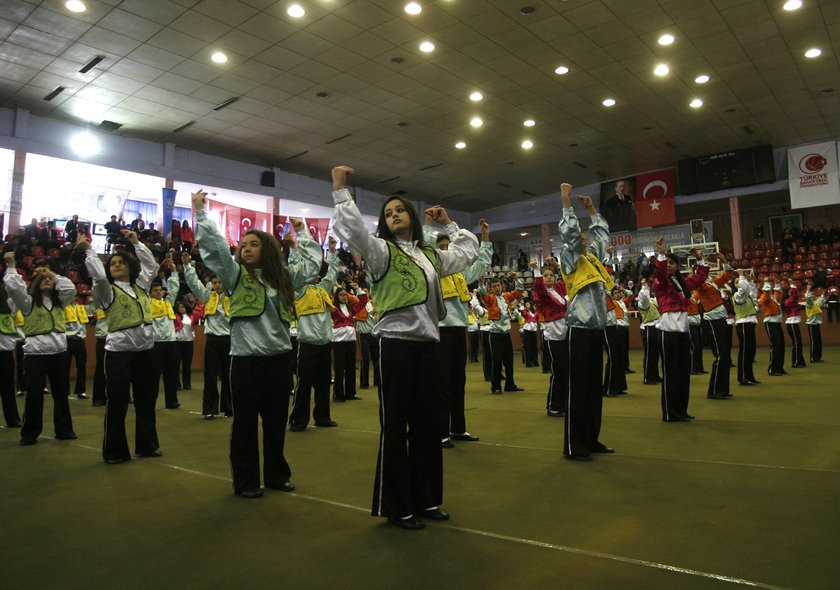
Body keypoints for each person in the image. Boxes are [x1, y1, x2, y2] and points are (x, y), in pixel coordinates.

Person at [330, 165, 478, 530]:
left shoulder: (430, 255)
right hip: (395, 345)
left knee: (428, 425)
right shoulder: (380, 251)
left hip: (429, 346)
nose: (394, 215)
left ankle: (426, 498)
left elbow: (467, 252)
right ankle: (397, 505)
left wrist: (449, 223)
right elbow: (351, 229)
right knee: (396, 426)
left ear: (411, 215)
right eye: (388, 213)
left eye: (399, 210)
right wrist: (340, 188)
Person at [193, 189, 321, 499]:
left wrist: (302, 232)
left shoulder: (284, 278)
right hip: (246, 360)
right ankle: (246, 481)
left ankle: (276, 475)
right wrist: (201, 212)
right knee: (245, 423)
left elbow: (313, 265)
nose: (247, 248)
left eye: (254, 244)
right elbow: (215, 248)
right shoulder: (234, 275)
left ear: (268, 250)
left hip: (279, 360)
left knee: (275, 422)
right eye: (244, 245)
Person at [82, 230, 161, 463]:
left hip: (146, 351)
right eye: (113, 263)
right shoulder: (107, 290)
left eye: (121, 262)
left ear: (130, 266)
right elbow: (98, 277)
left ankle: (147, 445)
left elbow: (151, 266)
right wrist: (89, 251)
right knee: (117, 402)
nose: (116, 265)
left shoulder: (141, 286)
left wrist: (136, 243)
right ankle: (115, 451)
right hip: (118, 353)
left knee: (146, 400)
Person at [558, 182, 614, 461]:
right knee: (578, 390)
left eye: (584, 238)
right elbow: (569, 234)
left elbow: (601, 236)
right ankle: (574, 445)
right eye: (579, 238)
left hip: (596, 330)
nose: (582, 240)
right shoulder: (570, 259)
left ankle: (591, 439)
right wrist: (566, 201)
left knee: (593, 389)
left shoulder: (593, 260)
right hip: (579, 330)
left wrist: (593, 211)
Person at [424, 217, 491, 448]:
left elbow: (481, 263)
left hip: (459, 329)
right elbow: (423, 249)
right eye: (441, 247)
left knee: (457, 381)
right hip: (440, 331)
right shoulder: (431, 270)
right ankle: (439, 431)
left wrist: (485, 238)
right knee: (441, 383)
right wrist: (428, 222)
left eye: (447, 246)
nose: (445, 250)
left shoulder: (461, 273)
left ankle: (458, 428)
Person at [4, 254, 77, 445]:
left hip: (59, 353)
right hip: (35, 355)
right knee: (34, 395)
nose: (47, 281)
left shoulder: (60, 301)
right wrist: (11, 265)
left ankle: (64, 430)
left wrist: (51, 273)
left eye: (49, 280)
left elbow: (71, 288)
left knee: (61, 394)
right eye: (42, 279)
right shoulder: (28, 303)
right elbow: (14, 287)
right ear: (36, 284)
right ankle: (29, 433)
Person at [651, 239, 709, 421]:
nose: (668, 265)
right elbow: (661, 273)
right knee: (671, 374)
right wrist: (661, 253)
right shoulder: (660, 282)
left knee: (683, 373)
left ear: (677, 265)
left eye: (672, 262)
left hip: (683, 331)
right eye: (666, 262)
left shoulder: (683, 283)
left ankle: (681, 410)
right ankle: (670, 413)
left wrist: (700, 259)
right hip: (667, 331)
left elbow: (700, 278)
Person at [289, 238, 340, 431]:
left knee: (324, 383)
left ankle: (322, 417)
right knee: (303, 384)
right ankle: (299, 420)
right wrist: (293, 251)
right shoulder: (299, 290)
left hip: (325, 344)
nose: (314, 275)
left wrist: (332, 252)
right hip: (307, 344)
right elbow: (295, 270)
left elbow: (333, 273)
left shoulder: (323, 289)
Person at [182, 253, 233, 420]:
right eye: (215, 282)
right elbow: (194, 284)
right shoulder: (208, 296)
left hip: (230, 340)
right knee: (210, 376)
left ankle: (229, 407)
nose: (217, 285)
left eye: (220, 282)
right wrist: (187, 266)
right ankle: (210, 409)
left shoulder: (233, 297)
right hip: (212, 340)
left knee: (228, 375)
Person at [530, 257, 568, 417]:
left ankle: (563, 404)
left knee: (566, 371)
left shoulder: (559, 289)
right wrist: (536, 270)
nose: (549, 277)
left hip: (566, 333)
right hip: (553, 335)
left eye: (551, 275)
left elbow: (567, 280)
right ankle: (553, 405)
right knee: (558, 372)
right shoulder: (541, 295)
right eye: (545, 275)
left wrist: (557, 266)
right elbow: (539, 288)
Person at [693, 253, 734, 399]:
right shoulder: (700, 285)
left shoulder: (712, 282)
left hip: (720, 319)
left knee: (725, 355)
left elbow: (728, 274)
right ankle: (715, 391)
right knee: (721, 355)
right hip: (712, 320)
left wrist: (724, 260)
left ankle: (722, 389)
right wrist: (700, 260)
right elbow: (701, 276)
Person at [478, 273, 524, 394]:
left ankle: (510, 385)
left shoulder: (506, 297)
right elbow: (482, 293)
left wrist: (516, 279)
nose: (497, 288)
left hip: (506, 334)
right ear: (491, 289)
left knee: (509, 362)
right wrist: (481, 283)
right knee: (497, 362)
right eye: (494, 286)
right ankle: (496, 387)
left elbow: (519, 291)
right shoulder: (490, 299)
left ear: (502, 286)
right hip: (495, 335)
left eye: (498, 285)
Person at [149, 260, 180, 409]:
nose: (158, 292)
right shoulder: (147, 304)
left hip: (171, 343)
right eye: (155, 290)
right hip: (156, 344)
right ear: (150, 293)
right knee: (153, 376)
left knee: (171, 374)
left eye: (160, 290)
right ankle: (150, 402)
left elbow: (173, 289)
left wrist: (174, 271)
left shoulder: (168, 303)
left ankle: (172, 401)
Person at [331, 282, 367, 403]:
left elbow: (363, 302)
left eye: (345, 295)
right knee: (339, 368)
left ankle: (351, 393)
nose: (344, 297)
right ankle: (338, 394)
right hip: (338, 341)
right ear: (336, 297)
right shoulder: (333, 308)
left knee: (351, 367)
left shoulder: (350, 308)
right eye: (341, 295)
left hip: (351, 340)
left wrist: (358, 289)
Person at [733, 270, 761, 386]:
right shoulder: (738, 296)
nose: (739, 283)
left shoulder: (746, 297)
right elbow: (744, 289)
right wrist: (741, 276)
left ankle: (749, 376)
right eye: (736, 282)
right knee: (745, 351)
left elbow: (753, 293)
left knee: (750, 351)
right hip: (743, 324)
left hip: (748, 324)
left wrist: (751, 281)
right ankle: (744, 377)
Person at [0, 283, 22, 427]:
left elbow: (18, 291)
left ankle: (13, 419)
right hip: (6, 353)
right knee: (7, 388)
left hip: (5, 353)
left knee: (8, 389)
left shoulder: (9, 306)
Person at [636, 278, 662, 385]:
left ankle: (655, 375)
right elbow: (644, 297)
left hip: (656, 327)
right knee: (650, 354)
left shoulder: (652, 300)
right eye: (645, 285)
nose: (648, 286)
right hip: (649, 328)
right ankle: (648, 377)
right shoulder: (643, 302)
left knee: (655, 354)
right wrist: (644, 286)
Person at [64, 293, 90, 399]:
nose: (73, 298)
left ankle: (81, 391)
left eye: (74, 296)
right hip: (68, 339)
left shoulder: (81, 308)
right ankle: (65, 392)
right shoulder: (64, 307)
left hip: (80, 339)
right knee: (65, 366)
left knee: (81, 365)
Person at [759, 280, 786, 376]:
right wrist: (766, 283)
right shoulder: (764, 296)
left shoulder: (773, 297)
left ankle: (779, 367)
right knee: (775, 345)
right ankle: (773, 369)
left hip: (777, 323)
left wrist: (777, 283)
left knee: (781, 345)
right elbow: (766, 296)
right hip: (770, 323)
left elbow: (778, 295)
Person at [174, 301, 196, 391]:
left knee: (187, 365)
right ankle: (177, 384)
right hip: (178, 343)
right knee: (176, 365)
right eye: (179, 307)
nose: (181, 308)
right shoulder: (175, 316)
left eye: (183, 307)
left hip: (189, 342)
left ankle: (187, 384)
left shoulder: (191, 316)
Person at [783, 284, 806, 368]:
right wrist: (793, 286)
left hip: (794, 324)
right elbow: (795, 295)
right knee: (797, 343)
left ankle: (799, 361)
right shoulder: (788, 301)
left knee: (798, 343)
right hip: (791, 323)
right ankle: (796, 362)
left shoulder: (792, 301)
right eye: (790, 291)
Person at [804, 281, 824, 363]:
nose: (812, 295)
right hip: (811, 325)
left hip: (816, 324)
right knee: (814, 342)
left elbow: (821, 301)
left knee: (818, 341)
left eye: (813, 294)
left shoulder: (815, 303)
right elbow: (808, 297)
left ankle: (818, 357)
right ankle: (813, 358)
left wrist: (822, 294)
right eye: (811, 294)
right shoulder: (809, 304)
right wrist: (808, 290)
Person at [519, 301, 539, 367]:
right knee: (528, 347)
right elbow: (523, 313)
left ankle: (535, 362)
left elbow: (538, 317)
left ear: (531, 305)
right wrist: (522, 305)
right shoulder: (525, 312)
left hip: (534, 330)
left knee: (534, 346)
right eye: (526, 305)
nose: (526, 305)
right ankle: (529, 363)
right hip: (527, 330)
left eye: (528, 304)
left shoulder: (535, 312)